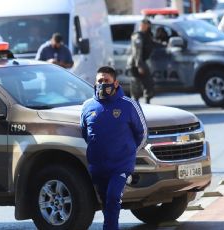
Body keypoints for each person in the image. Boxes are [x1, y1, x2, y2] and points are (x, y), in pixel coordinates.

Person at [80, 66, 147, 230]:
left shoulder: (129, 105)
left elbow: (142, 133)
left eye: (107, 81)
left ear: (115, 83)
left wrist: (129, 153)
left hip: (120, 165)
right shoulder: (88, 106)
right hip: (97, 166)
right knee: (105, 201)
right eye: (100, 81)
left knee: (113, 197)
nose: (103, 84)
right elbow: (84, 133)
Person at [127, 18, 155, 104]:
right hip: (135, 64)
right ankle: (135, 104)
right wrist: (139, 65)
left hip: (142, 62)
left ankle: (147, 101)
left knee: (148, 83)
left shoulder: (145, 35)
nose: (148, 27)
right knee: (136, 85)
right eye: (146, 25)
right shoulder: (138, 36)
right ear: (142, 25)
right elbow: (137, 51)